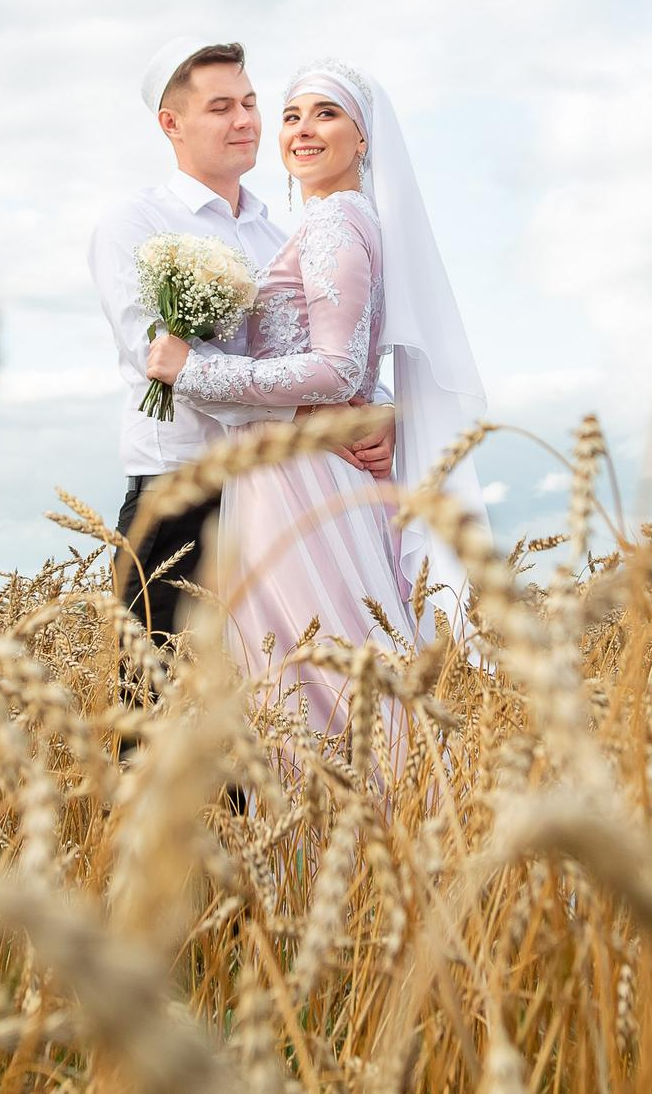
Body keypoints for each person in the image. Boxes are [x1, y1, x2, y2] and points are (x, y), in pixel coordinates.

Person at [143, 57, 489, 740]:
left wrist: (192, 372)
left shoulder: (333, 223)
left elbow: (335, 368)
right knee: (315, 678)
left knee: (312, 684)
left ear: (364, 139)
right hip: (294, 470)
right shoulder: (338, 220)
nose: (302, 129)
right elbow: (350, 359)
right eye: (293, 115)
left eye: (325, 114)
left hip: (299, 479)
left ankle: (345, 834)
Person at [87, 38, 396, 685]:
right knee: (154, 715)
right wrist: (324, 407)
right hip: (180, 501)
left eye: (252, 103)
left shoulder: (277, 233)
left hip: (278, 501)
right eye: (221, 106)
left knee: (263, 721)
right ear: (171, 123)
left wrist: (376, 411)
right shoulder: (136, 221)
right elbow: (161, 358)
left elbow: (324, 344)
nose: (246, 121)